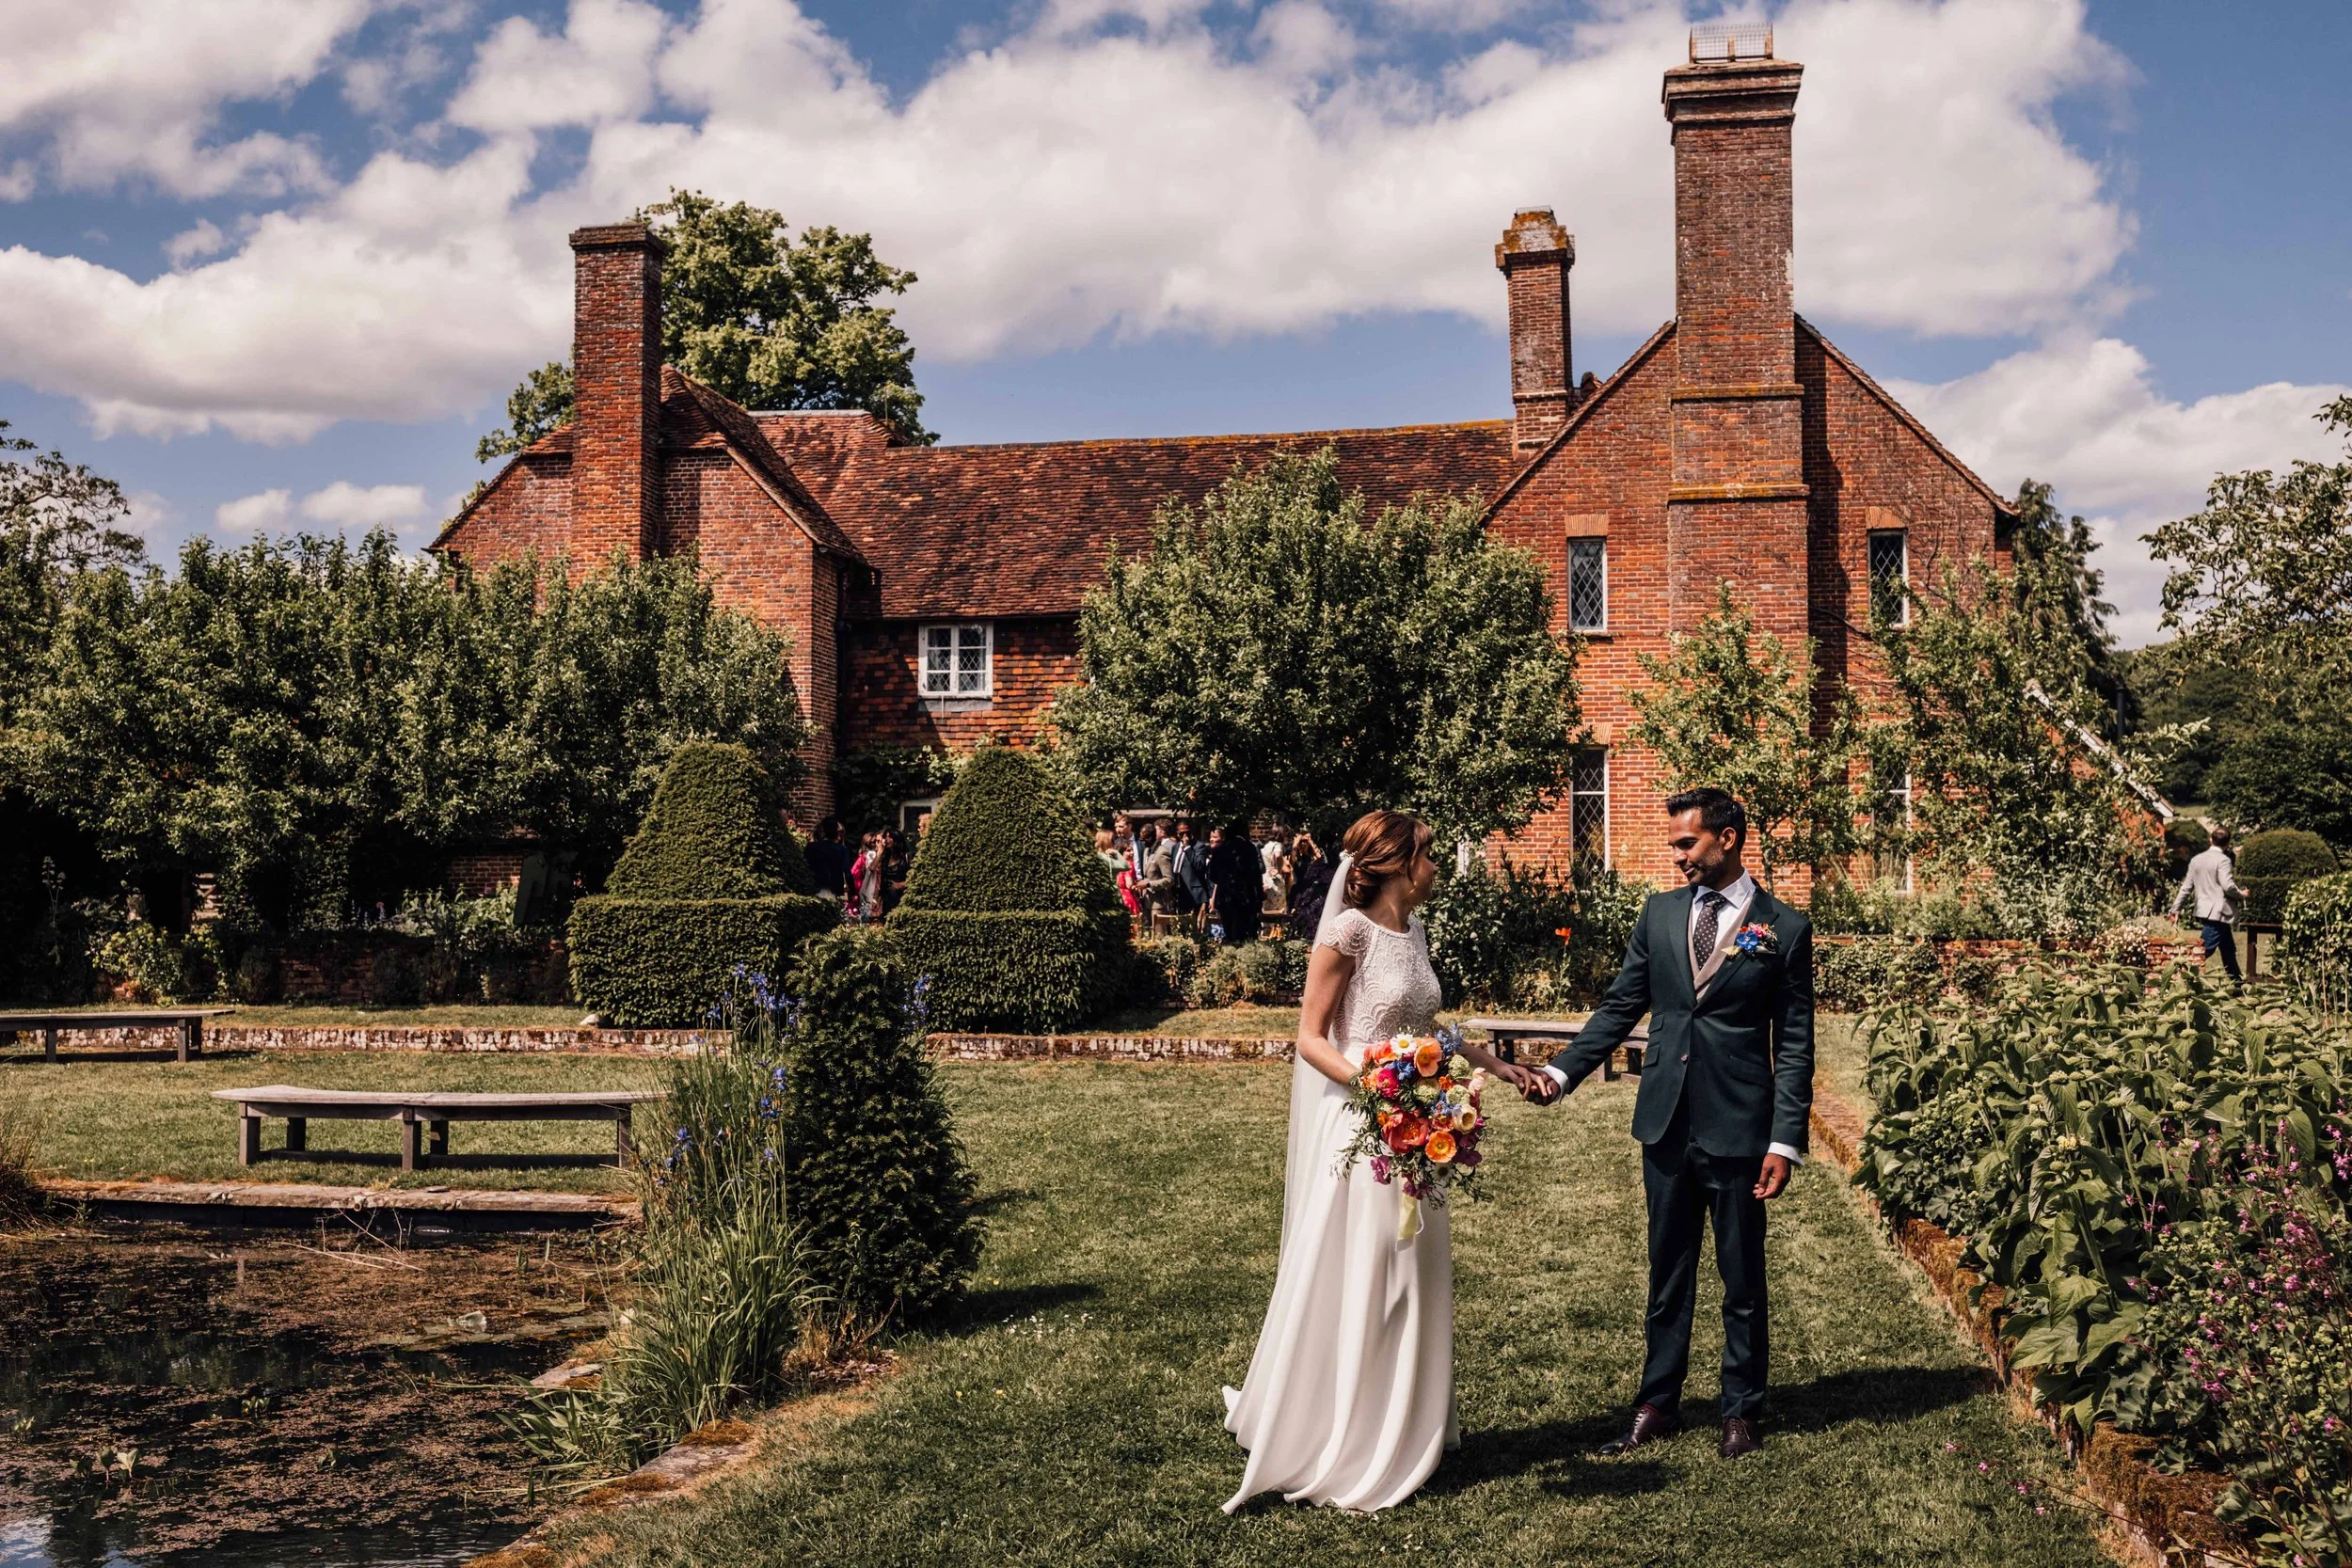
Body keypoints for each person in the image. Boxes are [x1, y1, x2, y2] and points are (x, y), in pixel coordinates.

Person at [1221, 809, 1533, 1513]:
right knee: (1364, 1272)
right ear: (1395, 862)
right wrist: (1378, 1084)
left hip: (1415, 1122)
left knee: (1409, 1274)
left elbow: (1429, 1031)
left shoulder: (1413, 929)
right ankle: (1342, 1431)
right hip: (1364, 1126)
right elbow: (1309, 1036)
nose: (1434, 867)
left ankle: (1406, 1420)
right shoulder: (1346, 932)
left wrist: (1494, 1064)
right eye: (1427, 854)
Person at [1522, 787, 1814, 1462]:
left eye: (1687, 843)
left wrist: (1783, 1139)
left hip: (1742, 1127)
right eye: (1675, 844)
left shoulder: (1784, 929)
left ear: (1729, 838)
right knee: (1668, 1271)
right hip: (1666, 1124)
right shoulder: (1658, 916)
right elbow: (1620, 1005)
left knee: (1742, 1278)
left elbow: (1795, 1045)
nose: (1676, 855)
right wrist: (1562, 1073)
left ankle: (1741, 1409)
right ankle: (1658, 1403)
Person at [2170, 823, 2248, 986]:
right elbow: (2227, 886)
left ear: (2210, 840)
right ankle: (2182, 980)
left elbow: (2186, 888)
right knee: (2203, 952)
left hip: (2206, 910)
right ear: (2227, 844)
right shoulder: (2224, 860)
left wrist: (2175, 909)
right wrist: (2241, 894)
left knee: (2228, 951)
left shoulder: (2197, 859)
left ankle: (2239, 986)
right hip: (2219, 912)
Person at [1206, 824, 1262, 945]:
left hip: (1225, 898)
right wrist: (1259, 896)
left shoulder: (1220, 849)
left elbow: (1212, 875)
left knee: (1230, 933)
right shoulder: (1249, 848)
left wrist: (1222, 881)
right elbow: (1256, 874)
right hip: (1245, 897)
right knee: (1246, 935)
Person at [1286, 832, 1331, 945]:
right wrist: (1296, 843)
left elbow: (1322, 860)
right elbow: (1292, 860)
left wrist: (1310, 841)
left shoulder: (1313, 858)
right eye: (1301, 842)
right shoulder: (1296, 858)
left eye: (1304, 842)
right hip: (1299, 891)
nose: (1303, 844)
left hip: (1312, 891)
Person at [1173, 820, 1213, 930]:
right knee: (1182, 924)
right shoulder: (1175, 847)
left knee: (1196, 925)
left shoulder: (1199, 847)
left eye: (1187, 832)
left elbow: (1200, 867)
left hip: (1195, 892)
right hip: (1180, 890)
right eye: (1182, 833)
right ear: (1177, 834)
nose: (1185, 836)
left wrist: (1188, 849)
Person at [805, 816, 852, 905]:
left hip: (815, 888)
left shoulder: (811, 847)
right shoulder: (842, 850)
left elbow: (805, 868)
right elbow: (847, 873)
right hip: (834, 889)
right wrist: (853, 893)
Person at [1138, 823, 1176, 930]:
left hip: (1159, 903)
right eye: (1141, 839)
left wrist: (1149, 884)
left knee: (1159, 935)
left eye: (1145, 839)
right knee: (1146, 934)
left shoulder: (1162, 853)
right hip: (1146, 901)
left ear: (1152, 837)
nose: (1143, 842)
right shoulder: (1146, 851)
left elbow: (1169, 879)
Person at [879, 828, 910, 915]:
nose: (887, 840)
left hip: (901, 896)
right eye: (886, 837)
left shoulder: (906, 857)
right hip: (886, 897)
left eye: (890, 837)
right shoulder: (885, 857)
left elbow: (915, 878)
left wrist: (900, 885)